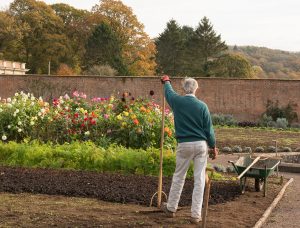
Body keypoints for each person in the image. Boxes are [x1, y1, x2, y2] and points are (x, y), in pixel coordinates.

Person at [160, 75, 218, 224]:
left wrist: (166, 81)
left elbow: (169, 93)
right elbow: (209, 130)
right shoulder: (202, 106)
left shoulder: (177, 101)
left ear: (184, 89)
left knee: (179, 176)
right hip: (200, 145)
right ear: (196, 89)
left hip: (184, 144)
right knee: (199, 179)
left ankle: (171, 208)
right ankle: (195, 215)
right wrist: (213, 146)